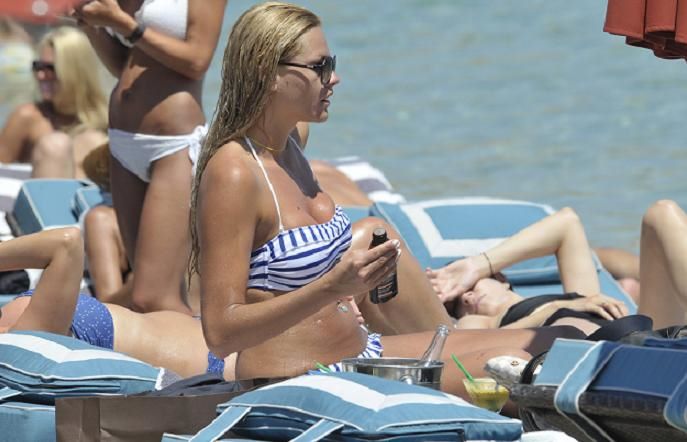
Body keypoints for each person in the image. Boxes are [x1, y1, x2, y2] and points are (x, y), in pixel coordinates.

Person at [190, 2, 581, 400]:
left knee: (562, 339)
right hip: (301, 377)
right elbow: (221, 334)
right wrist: (332, 287)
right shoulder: (233, 174)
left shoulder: (291, 139)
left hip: (363, 352)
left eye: (332, 64)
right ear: (268, 73)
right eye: (320, 67)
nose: (334, 78)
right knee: (518, 366)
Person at [72, 0, 227, 314]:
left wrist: (124, 24)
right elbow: (126, 66)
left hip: (173, 144)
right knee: (147, 298)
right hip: (123, 142)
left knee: (152, 296)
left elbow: (197, 61)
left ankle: (204, 346)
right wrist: (91, 26)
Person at [0, 227, 236, 380]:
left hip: (211, 329)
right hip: (217, 361)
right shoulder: (20, 341)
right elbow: (66, 243)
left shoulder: (13, 319)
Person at [426, 205, 686, 334]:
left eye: (469, 287)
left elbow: (567, 222)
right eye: (456, 304)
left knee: (661, 213)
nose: (467, 297)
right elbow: (473, 346)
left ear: (501, 278)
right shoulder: (483, 323)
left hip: (650, 335)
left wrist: (476, 265)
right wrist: (555, 309)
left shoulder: (584, 297)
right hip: (623, 358)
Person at [0, 26, 108, 179]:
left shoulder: (105, 122)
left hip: (89, 193)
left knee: (92, 141)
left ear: (75, 70)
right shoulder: (28, 117)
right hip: (40, 192)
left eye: (50, 68)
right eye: (38, 67)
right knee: (56, 145)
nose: (41, 75)